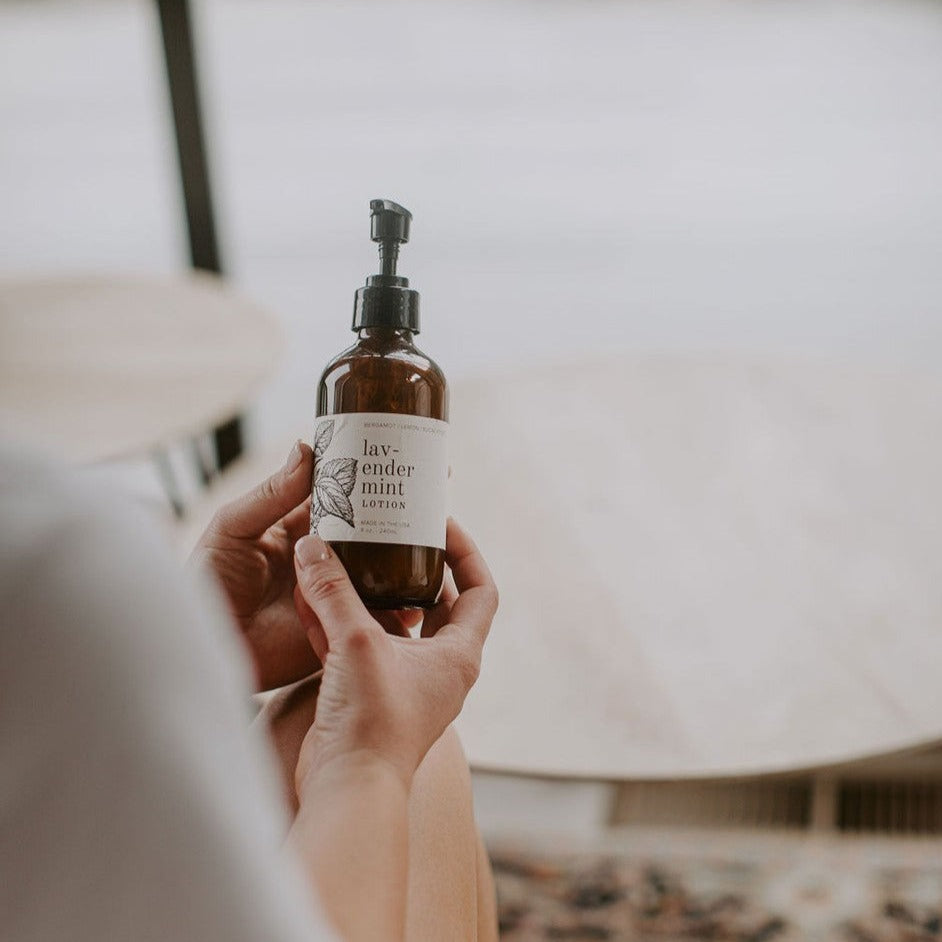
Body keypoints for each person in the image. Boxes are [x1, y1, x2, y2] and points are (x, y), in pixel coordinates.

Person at [0, 439, 499, 941]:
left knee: (319, 714)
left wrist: (199, 647)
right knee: (418, 759)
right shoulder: (52, 544)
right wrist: (366, 762)